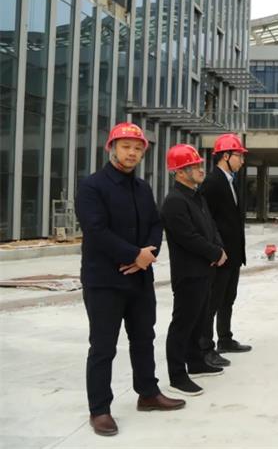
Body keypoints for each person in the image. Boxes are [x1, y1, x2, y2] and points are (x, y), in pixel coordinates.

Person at [75, 122, 185, 437]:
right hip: (104, 280)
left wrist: (146, 255)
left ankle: (148, 393)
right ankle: (100, 409)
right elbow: (96, 230)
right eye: (126, 147)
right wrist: (133, 255)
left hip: (139, 278)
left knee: (143, 338)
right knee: (103, 346)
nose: (132, 153)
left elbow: (155, 224)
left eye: (137, 149)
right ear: (111, 148)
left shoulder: (142, 188)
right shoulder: (92, 187)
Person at [160, 144, 227, 396]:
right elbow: (188, 237)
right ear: (179, 172)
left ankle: (196, 362)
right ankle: (177, 376)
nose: (201, 170)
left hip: (205, 270)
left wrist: (219, 248)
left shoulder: (197, 197)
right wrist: (214, 253)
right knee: (183, 323)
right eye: (194, 166)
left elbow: (211, 227)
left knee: (199, 320)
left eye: (199, 165)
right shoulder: (174, 202)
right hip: (188, 273)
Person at [199, 133, 251, 367]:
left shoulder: (231, 181)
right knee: (212, 302)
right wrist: (214, 250)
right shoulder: (212, 182)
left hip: (233, 254)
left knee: (228, 298)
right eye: (239, 156)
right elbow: (206, 219)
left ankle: (225, 338)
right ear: (226, 156)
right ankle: (205, 347)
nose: (242, 160)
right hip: (220, 255)